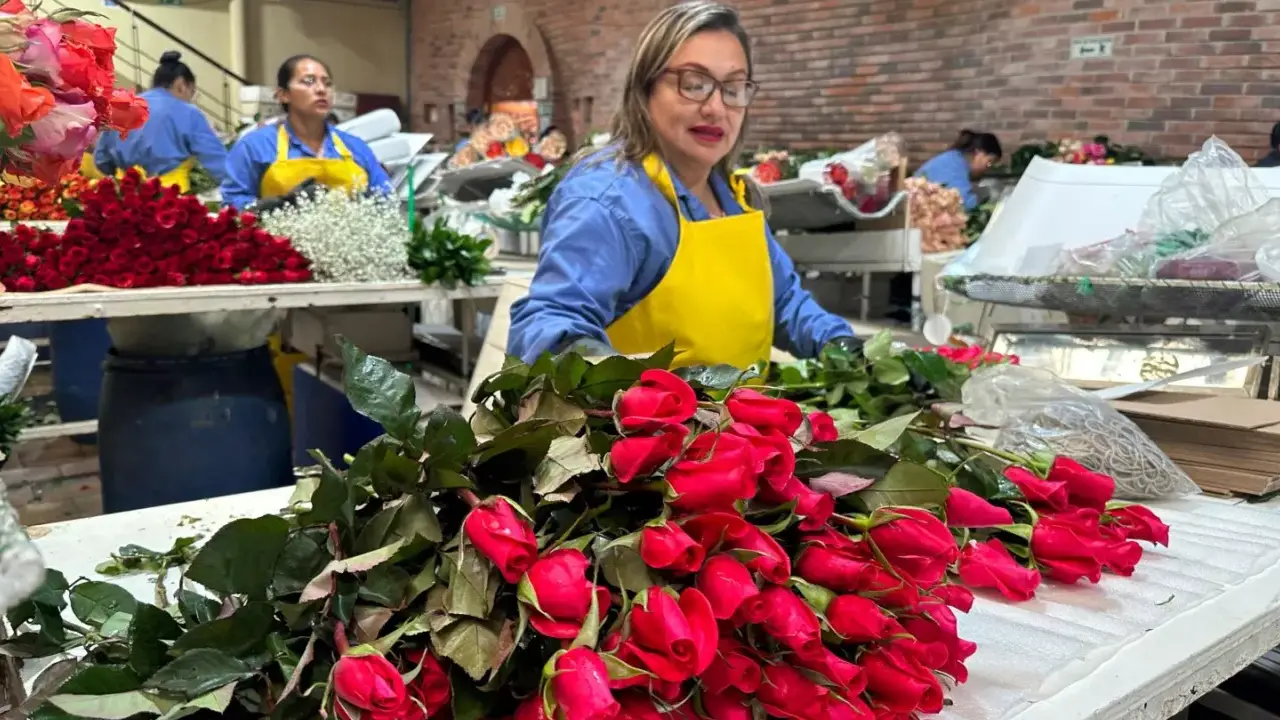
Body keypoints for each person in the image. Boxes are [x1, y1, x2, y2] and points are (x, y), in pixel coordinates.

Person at [507, 1, 857, 367]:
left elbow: (784, 302)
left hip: (739, 422)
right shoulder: (610, 201)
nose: (715, 108)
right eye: (694, 84)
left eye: (734, 88)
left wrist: (845, 348)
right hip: (645, 424)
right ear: (645, 89)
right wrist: (617, 384)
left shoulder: (734, 198)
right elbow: (549, 325)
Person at [221, 55, 391, 210]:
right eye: (309, 81)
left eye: (327, 83)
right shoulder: (254, 147)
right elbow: (232, 203)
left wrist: (365, 205)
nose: (321, 89)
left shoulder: (356, 147)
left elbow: (387, 198)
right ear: (283, 95)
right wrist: (277, 206)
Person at [93, 51, 229, 193]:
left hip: (127, 197)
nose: (190, 99)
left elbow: (101, 160)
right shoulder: (189, 112)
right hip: (170, 199)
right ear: (181, 85)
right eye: (192, 92)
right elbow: (216, 161)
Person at [915, 130, 1002, 210]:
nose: (987, 168)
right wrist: (986, 193)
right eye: (989, 161)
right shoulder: (954, 164)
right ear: (978, 153)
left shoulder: (954, 158)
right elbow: (964, 205)